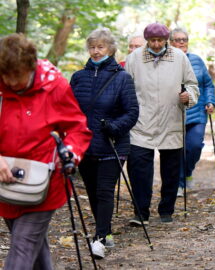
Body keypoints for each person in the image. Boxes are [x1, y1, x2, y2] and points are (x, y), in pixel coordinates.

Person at [0, 33, 92, 270]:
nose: (10, 82)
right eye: (5, 76)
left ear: (31, 67)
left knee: (23, 245)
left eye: (17, 76)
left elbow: (78, 129)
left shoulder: (54, 87)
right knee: (33, 246)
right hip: (6, 183)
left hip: (45, 183)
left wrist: (70, 153)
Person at [70, 28, 139, 259]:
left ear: (110, 49)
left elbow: (132, 112)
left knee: (104, 190)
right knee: (91, 191)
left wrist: (114, 126)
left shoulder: (122, 77)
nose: (96, 51)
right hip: (85, 145)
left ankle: (99, 239)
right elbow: (69, 111)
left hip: (112, 144)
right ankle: (106, 231)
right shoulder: (78, 77)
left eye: (100, 47)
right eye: (92, 47)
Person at [125, 22, 199, 225]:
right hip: (141, 122)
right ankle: (140, 213)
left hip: (171, 118)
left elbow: (192, 84)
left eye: (160, 40)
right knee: (139, 170)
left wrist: (189, 96)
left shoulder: (180, 57)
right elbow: (125, 87)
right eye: (152, 41)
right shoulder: (134, 58)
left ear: (166, 40)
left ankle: (166, 210)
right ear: (147, 40)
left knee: (171, 170)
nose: (156, 44)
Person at [170, 27, 215, 196]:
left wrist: (210, 101)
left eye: (185, 39)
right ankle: (179, 184)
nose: (182, 42)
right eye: (178, 39)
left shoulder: (196, 60)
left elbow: (207, 84)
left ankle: (187, 173)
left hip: (197, 113)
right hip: (174, 114)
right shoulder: (166, 62)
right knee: (176, 151)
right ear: (170, 43)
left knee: (194, 146)